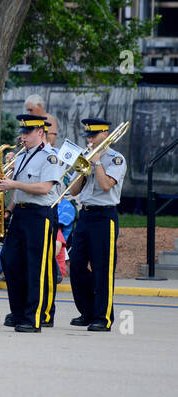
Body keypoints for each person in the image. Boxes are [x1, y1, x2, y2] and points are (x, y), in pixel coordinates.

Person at [0, 114, 63, 332]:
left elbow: (44, 188)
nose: (22, 136)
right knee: (10, 260)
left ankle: (33, 317)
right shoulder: (23, 154)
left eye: (27, 132)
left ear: (40, 132)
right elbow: (20, 190)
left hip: (39, 214)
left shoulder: (50, 156)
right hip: (21, 213)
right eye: (22, 132)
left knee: (36, 266)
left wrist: (13, 182)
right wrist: (8, 210)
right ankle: (18, 311)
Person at [66, 117, 126, 331]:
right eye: (88, 136)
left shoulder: (116, 159)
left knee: (102, 268)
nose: (90, 140)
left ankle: (103, 316)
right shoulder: (85, 156)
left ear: (105, 135)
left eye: (93, 136)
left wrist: (97, 162)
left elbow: (106, 185)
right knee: (76, 265)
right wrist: (83, 168)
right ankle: (87, 311)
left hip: (104, 217)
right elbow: (73, 191)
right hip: (85, 215)